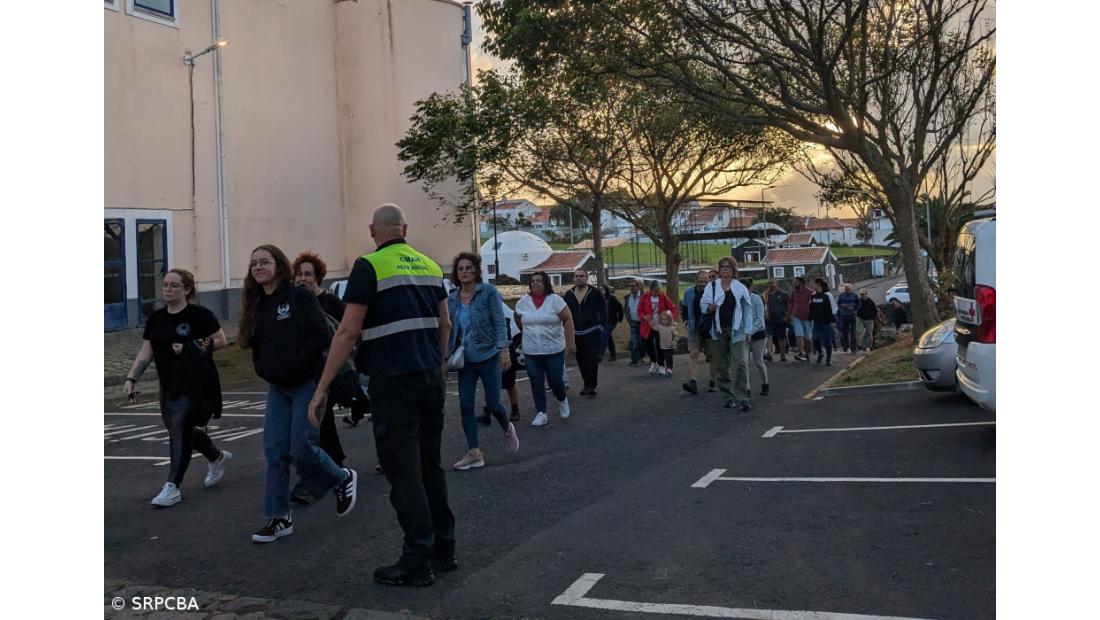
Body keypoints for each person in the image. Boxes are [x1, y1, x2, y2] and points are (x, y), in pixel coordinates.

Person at [308, 205, 454, 587]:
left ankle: (416, 559)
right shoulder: (430, 266)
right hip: (430, 378)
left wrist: (323, 387)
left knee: (403, 469)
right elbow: (445, 323)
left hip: (393, 380)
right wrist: (438, 364)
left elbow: (347, 331)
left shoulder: (369, 266)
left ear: (372, 230)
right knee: (430, 465)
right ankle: (444, 547)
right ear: (405, 229)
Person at [238, 245, 358, 544]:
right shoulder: (257, 303)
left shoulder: (298, 296)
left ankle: (342, 477)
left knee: (302, 447)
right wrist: (265, 370)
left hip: (307, 383)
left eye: (264, 262)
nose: (258, 267)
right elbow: (256, 345)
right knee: (274, 451)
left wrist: (298, 366)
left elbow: (322, 335)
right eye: (253, 263)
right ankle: (279, 517)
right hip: (278, 388)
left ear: (279, 265)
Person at [123, 268, 231, 508]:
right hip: (169, 385)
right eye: (165, 285)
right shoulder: (156, 319)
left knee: (179, 428)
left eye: (174, 286)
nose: (168, 290)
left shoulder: (200, 315)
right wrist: (131, 378)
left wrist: (191, 346)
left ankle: (172, 485)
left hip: (197, 384)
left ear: (187, 290)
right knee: (180, 431)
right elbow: (146, 351)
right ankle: (216, 457)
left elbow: (221, 340)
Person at [446, 252, 520, 471]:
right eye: (460, 269)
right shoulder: (452, 298)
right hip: (465, 360)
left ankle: (507, 427)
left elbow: (499, 322)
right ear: (456, 273)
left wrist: (503, 351)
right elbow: (448, 328)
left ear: (476, 270)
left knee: (493, 404)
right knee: (465, 405)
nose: (465, 272)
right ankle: (474, 453)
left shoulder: (488, 292)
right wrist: (444, 356)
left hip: (488, 356)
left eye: (469, 268)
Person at [289, 251, 349, 505]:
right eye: (299, 274)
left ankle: (315, 479)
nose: (302, 279)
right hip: (303, 372)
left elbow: (347, 331)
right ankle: (335, 467)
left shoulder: (330, 302)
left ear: (318, 278)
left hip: (328, 371)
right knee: (319, 424)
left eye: (307, 274)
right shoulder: (293, 302)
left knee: (316, 423)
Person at [514, 271, 576, 428]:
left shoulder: (555, 300)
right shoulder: (523, 302)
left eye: (539, 281)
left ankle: (562, 399)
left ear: (545, 283)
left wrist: (571, 343)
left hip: (553, 349)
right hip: (531, 351)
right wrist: (528, 333)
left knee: (555, 380)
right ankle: (541, 412)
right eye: (533, 281)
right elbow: (518, 318)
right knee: (536, 381)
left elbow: (567, 319)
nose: (535, 283)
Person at [700, 257, 755, 411]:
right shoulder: (712, 286)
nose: (725, 269)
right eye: (722, 266)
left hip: (737, 330)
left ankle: (742, 397)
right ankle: (727, 396)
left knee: (740, 363)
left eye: (728, 266)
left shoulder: (740, 288)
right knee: (721, 366)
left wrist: (748, 330)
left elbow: (747, 310)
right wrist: (709, 307)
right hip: (717, 331)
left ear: (734, 269)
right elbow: (703, 303)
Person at [563, 268, 606, 396]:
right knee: (581, 359)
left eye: (582, 276)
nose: (579, 278)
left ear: (586, 278)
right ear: (573, 278)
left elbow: (603, 310)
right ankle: (586, 383)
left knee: (591, 358)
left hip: (591, 331)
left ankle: (591, 385)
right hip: (575, 332)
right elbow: (564, 313)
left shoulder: (595, 293)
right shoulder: (569, 294)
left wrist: (601, 326)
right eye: (576, 276)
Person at [481, 301, 522, 423]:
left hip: (504, 349)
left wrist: (505, 352)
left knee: (509, 383)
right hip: (489, 351)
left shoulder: (500, 312)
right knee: (489, 383)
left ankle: (515, 409)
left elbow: (505, 332)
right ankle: (487, 411)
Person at [681, 270, 716, 394]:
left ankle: (713, 381)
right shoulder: (688, 292)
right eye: (701, 281)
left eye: (705, 282)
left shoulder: (713, 293)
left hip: (710, 329)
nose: (703, 284)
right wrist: (685, 320)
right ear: (696, 280)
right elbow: (684, 308)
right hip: (694, 328)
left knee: (712, 356)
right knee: (693, 353)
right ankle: (693, 382)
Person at [743, 278, 769, 396]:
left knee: (758, 361)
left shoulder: (757, 299)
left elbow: (760, 320)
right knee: (744, 362)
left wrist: (750, 331)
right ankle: (747, 388)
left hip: (758, 335)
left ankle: (765, 383)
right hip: (744, 335)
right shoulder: (738, 300)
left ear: (750, 288)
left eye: (746, 289)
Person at [809, 278, 837, 366]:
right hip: (816, 322)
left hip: (826, 322)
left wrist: (832, 320)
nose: (812, 285)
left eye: (814, 284)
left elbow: (831, 308)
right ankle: (821, 352)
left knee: (827, 341)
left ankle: (828, 358)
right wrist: (810, 318)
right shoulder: (813, 296)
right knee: (815, 338)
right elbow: (811, 308)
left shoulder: (827, 295)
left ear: (818, 285)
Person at [763, 280, 790, 362]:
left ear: (777, 284)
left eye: (773, 283)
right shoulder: (765, 294)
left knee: (781, 337)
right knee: (769, 336)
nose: (771, 285)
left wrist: (787, 317)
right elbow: (764, 306)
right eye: (770, 284)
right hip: (769, 319)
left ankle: (783, 354)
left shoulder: (784, 294)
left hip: (780, 319)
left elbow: (789, 306)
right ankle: (770, 354)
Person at [788, 277, 814, 361]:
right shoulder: (794, 293)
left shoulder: (810, 292)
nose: (794, 284)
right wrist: (788, 315)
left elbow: (814, 304)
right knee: (798, 335)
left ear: (801, 283)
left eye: (795, 282)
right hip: (797, 317)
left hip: (808, 317)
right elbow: (791, 304)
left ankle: (808, 353)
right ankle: (801, 353)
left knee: (807, 337)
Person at [601, 284, 624, 361]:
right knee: (609, 338)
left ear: (606, 290)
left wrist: (620, 317)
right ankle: (613, 355)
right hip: (602, 322)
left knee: (604, 337)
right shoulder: (598, 299)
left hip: (611, 321)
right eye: (600, 289)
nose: (601, 291)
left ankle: (599, 355)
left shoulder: (612, 298)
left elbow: (620, 308)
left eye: (602, 289)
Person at [623, 280, 644, 366]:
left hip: (643, 322)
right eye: (630, 286)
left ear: (638, 287)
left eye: (633, 286)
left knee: (643, 341)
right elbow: (626, 309)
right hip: (633, 322)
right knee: (634, 341)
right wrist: (629, 319)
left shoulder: (643, 296)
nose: (631, 288)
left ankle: (647, 358)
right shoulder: (628, 297)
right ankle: (634, 360)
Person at [836, 283, 860, 353]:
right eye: (846, 288)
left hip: (852, 315)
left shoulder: (854, 295)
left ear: (851, 289)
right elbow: (838, 303)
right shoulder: (841, 296)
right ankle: (845, 347)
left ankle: (853, 348)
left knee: (853, 333)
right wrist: (842, 305)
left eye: (849, 288)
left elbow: (859, 304)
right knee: (844, 332)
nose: (847, 290)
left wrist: (854, 308)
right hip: (844, 315)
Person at [654, 311, 678, 376]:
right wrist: (649, 321)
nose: (664, 321)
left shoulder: (672, 328)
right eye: (663, 319)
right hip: (662, 346)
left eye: (666, 319)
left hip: (669, 346)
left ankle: (669, 368)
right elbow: (654, 327)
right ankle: (661, 366)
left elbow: (676, 336)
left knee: (669, 358)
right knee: (661, 357)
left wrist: (674, 342)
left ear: (669, 320)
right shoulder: (660, 327)